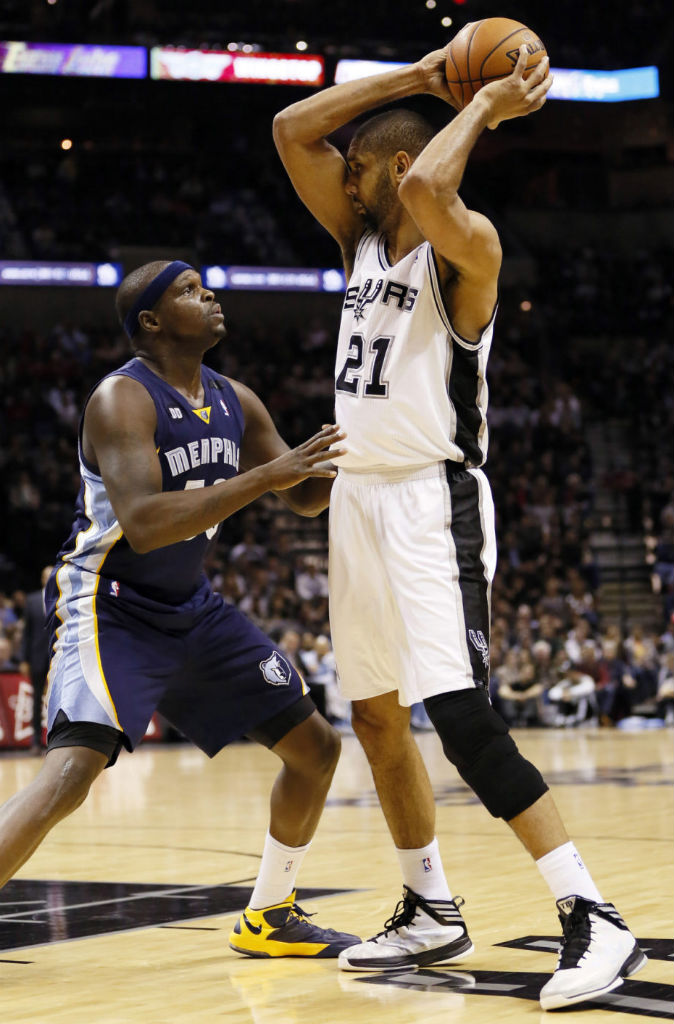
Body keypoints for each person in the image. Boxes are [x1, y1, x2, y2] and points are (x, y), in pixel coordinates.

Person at [273, 44, 645, 1009]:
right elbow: (289, 129)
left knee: (463, 715)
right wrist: (422, 73)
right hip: (356, 496)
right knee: (374, 715)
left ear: (395, 169)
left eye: (358, 170)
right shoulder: (356, 245)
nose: (339, 180)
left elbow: (434, 181)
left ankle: (593, 917)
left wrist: (477, 102)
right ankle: (430, 906)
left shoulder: (467, 245)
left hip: (431, 498)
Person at [0, 259, 360, 961]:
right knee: (72, 773)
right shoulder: (121, 400)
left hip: (191, 607)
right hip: (109, 604)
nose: (211, 296)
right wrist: (268, 476)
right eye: (192, 291)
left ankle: (270, 916)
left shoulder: (237, 400)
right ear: (152, 323)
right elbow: (145, 523)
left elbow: (302, 495)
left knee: (315, 749)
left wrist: (355, 450)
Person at [19, 564, 54, 752]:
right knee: (36, 701)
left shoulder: (63, 595)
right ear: (41, 579)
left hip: (58, 657)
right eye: (45, 576)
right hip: (37, 657)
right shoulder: (32, 600)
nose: (48, 579)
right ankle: (35, 742)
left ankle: (56, 740)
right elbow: (27, 633)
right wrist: (24, 659)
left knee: (58, 699)